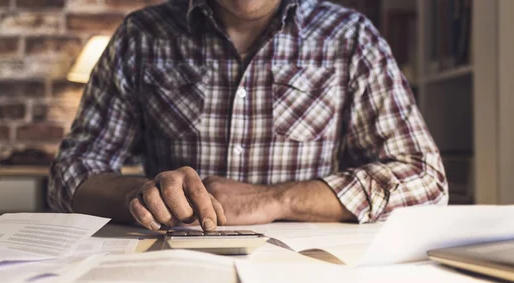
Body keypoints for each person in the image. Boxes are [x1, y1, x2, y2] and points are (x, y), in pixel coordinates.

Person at [48, 0, 448, 232]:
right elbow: (71, 173)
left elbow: (426, 181)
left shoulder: (351, 37)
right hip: (172, 265)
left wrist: (278, 200)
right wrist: (140, 195)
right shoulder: (141, 36)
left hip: (308, 272)